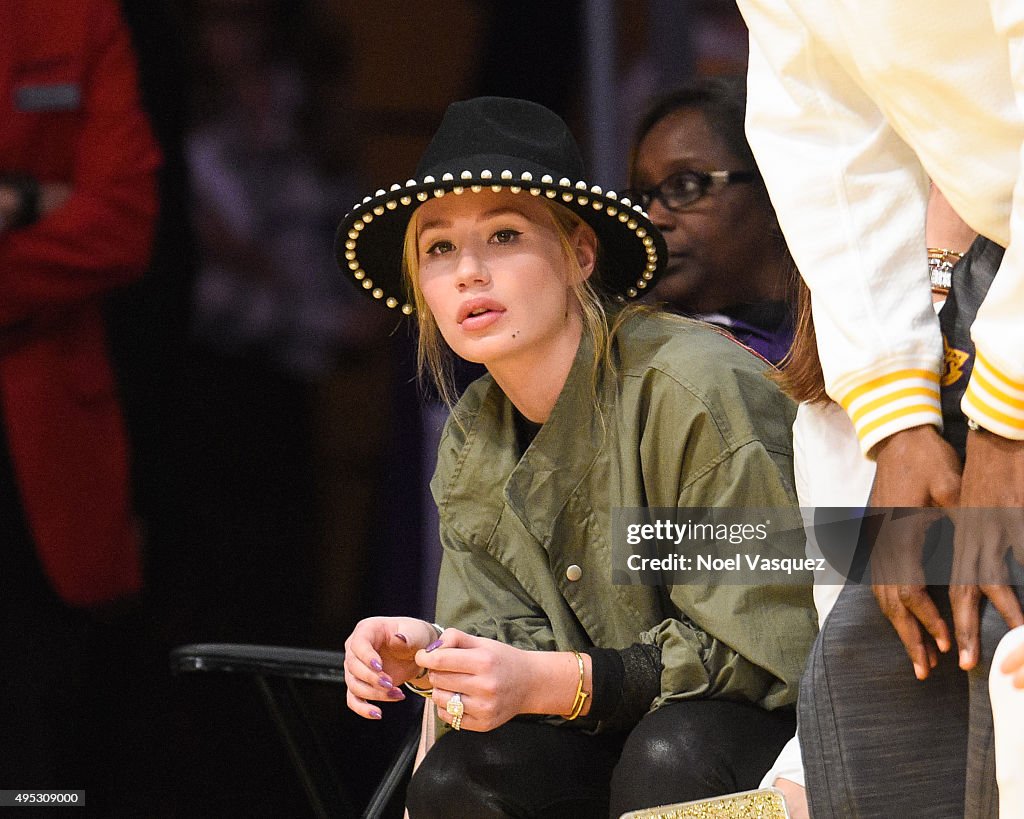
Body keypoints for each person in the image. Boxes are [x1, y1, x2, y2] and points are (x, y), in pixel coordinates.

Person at [339, 96, 816, 817]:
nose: (468, 271)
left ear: (579, 254)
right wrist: (435, 650)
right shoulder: (474, 432)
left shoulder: (691, 389)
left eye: (503, 235)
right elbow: (510, 648)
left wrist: (555, 680)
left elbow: (767, 650)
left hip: (787, 735)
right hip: (618, 734)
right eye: (438, 248)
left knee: (673, 753)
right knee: (458, 775)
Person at [735, 3, 1024, 813]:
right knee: (892, 650)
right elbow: (823, 129)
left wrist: (1006, 423)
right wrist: (901, 420)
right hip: (991, 296)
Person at [0, 0, 160, 800]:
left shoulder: (76, 17)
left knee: (46, 764)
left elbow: (125, 223)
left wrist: (15, 200)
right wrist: (45, 200)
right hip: (44, 339)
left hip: (50, 438)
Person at [625, 75, 795, 365]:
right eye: (642, 199)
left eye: (685, 186)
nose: (653, 218)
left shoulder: (853, 338)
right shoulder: (643, 368)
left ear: (770, 191)